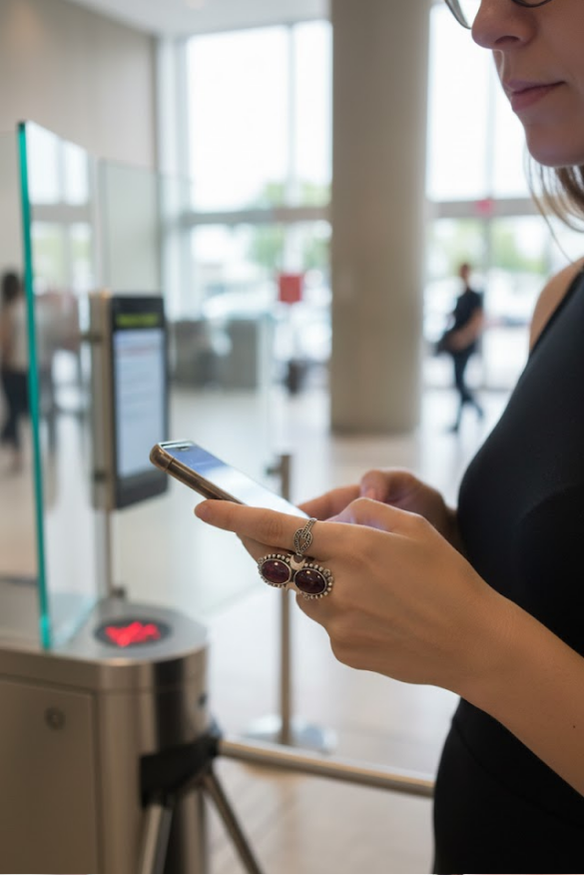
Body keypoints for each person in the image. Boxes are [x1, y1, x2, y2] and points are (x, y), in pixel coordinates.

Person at [193, 0, 584, 870]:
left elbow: (511, 650)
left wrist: (475, 641)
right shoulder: (565, 296)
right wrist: (451, 541)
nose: (487, 25)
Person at [438, 262, 485, 431]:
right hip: (455, 344)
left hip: (466, 344)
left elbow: (477, 320)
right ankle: (466, 416)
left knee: (460, 381)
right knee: (458, 381)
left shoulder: (475, 296)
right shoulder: (460, 297)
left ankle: (476, 411)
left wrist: (464, 337)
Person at [0, 271, 28, 470]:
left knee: (15, 412)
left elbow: (6, 343)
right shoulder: (28, 310)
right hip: (28, 368)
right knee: (18, 412)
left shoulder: (9, 312)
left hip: (12, 369)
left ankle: (16, 450)